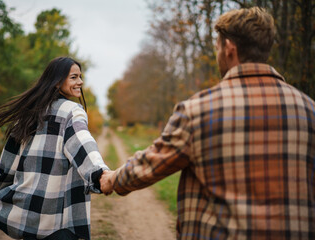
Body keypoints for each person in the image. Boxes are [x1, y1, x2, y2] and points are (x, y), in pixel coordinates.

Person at [101, 7, 315, 239]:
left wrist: (114, 178)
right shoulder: (309, 109)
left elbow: (153, 161)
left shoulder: (198, 110)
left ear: (229, 48)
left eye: (217, 47)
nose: (217, 54)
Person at [0, 57, 109, 240]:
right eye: (74, 77)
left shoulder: (29, 112)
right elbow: (83, 143)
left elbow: (9, 163)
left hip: (29, 213)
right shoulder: (72, 111)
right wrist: (99, 173)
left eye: (80, 76)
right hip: (58, 219)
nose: (80, 82)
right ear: (57, 82)